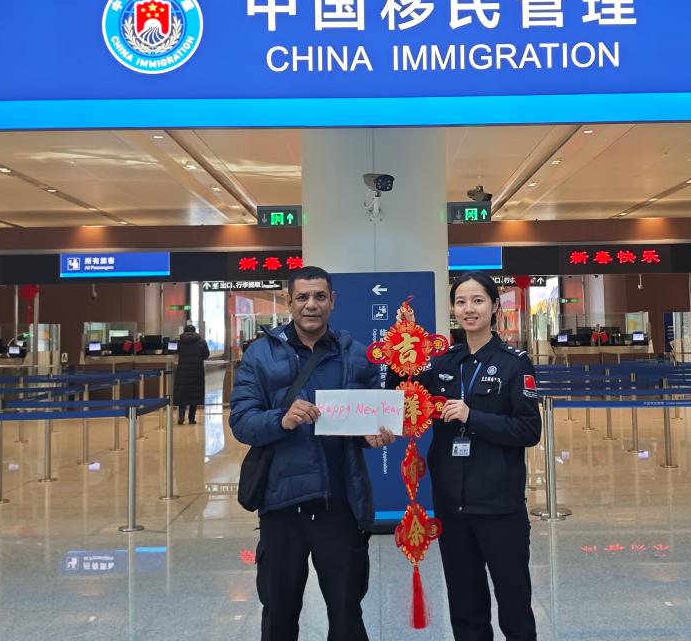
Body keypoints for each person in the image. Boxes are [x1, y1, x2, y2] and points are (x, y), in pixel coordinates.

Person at [229, 266, 397, 641]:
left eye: (320, 296)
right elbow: (241, 421)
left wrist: (372, 436)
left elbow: (365, 421)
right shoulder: (260, 355)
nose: (311, 304)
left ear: (332, 301)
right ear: (289, 301)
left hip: (339, 504)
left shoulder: (356, 356)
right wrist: (281, 419)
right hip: (281, 506)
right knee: (279, 614)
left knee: (347, 613)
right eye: (302, 297)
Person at [389, 271, 541, 641]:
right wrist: (403, 348)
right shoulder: (443, 363)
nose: (468, 309)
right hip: (452, 507)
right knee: (465, 607)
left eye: (477, 301)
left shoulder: (514, 363)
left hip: (500, 506)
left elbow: (528, 430)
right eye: (460, 302)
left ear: (494, 306)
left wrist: (473, 417)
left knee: (514, 605)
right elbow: (402, 396)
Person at [174, 324, 210, 424]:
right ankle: (191, 418)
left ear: (184, 331)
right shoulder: (201, 341)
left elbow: (173, 352)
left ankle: (181, 417)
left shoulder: (179, 342)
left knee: (182, 395)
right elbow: (206, 355)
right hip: (197, 371)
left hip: (182, 371)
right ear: (194, 331)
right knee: (194, 395)